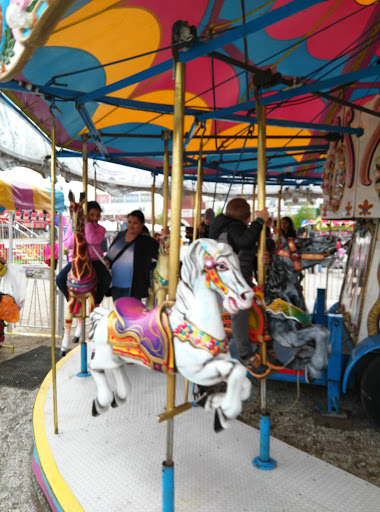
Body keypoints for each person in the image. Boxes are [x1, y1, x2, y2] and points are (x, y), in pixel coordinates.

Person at [209, 198, 283, 379]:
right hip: (227, 282)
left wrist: (265, 255)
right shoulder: (232, 227)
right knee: (240, 310)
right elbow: (244, 241)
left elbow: (250, 245)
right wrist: (260, 221)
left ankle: (268, 345)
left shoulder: (228, 227)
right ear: (246, 217)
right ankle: (245, 354)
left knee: (265, 302)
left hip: (239, 279)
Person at [56, 200, 111, 308]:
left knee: (106, 279)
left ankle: (96, 301)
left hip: (94, 260)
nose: (95, 218)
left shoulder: (100, 229)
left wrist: (87, 224)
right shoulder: (73, 226)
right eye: (92, 215)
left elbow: (91, 240)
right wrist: (78, 229)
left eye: (97, 216)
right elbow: (68, 244)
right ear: (85, 214)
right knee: (60, 279)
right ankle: (72, 300)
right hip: (76, 261)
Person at [105, 210, 158, 302]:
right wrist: (107, 261)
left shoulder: (146, 240)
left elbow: (159, 252)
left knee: (132, 313)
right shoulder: (120, 235)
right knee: (118, 312)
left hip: (134, 287)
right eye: (129, 222)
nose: (131, 225)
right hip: (116, 284)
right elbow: (110, 255)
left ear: (142, 224)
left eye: (135, 223)